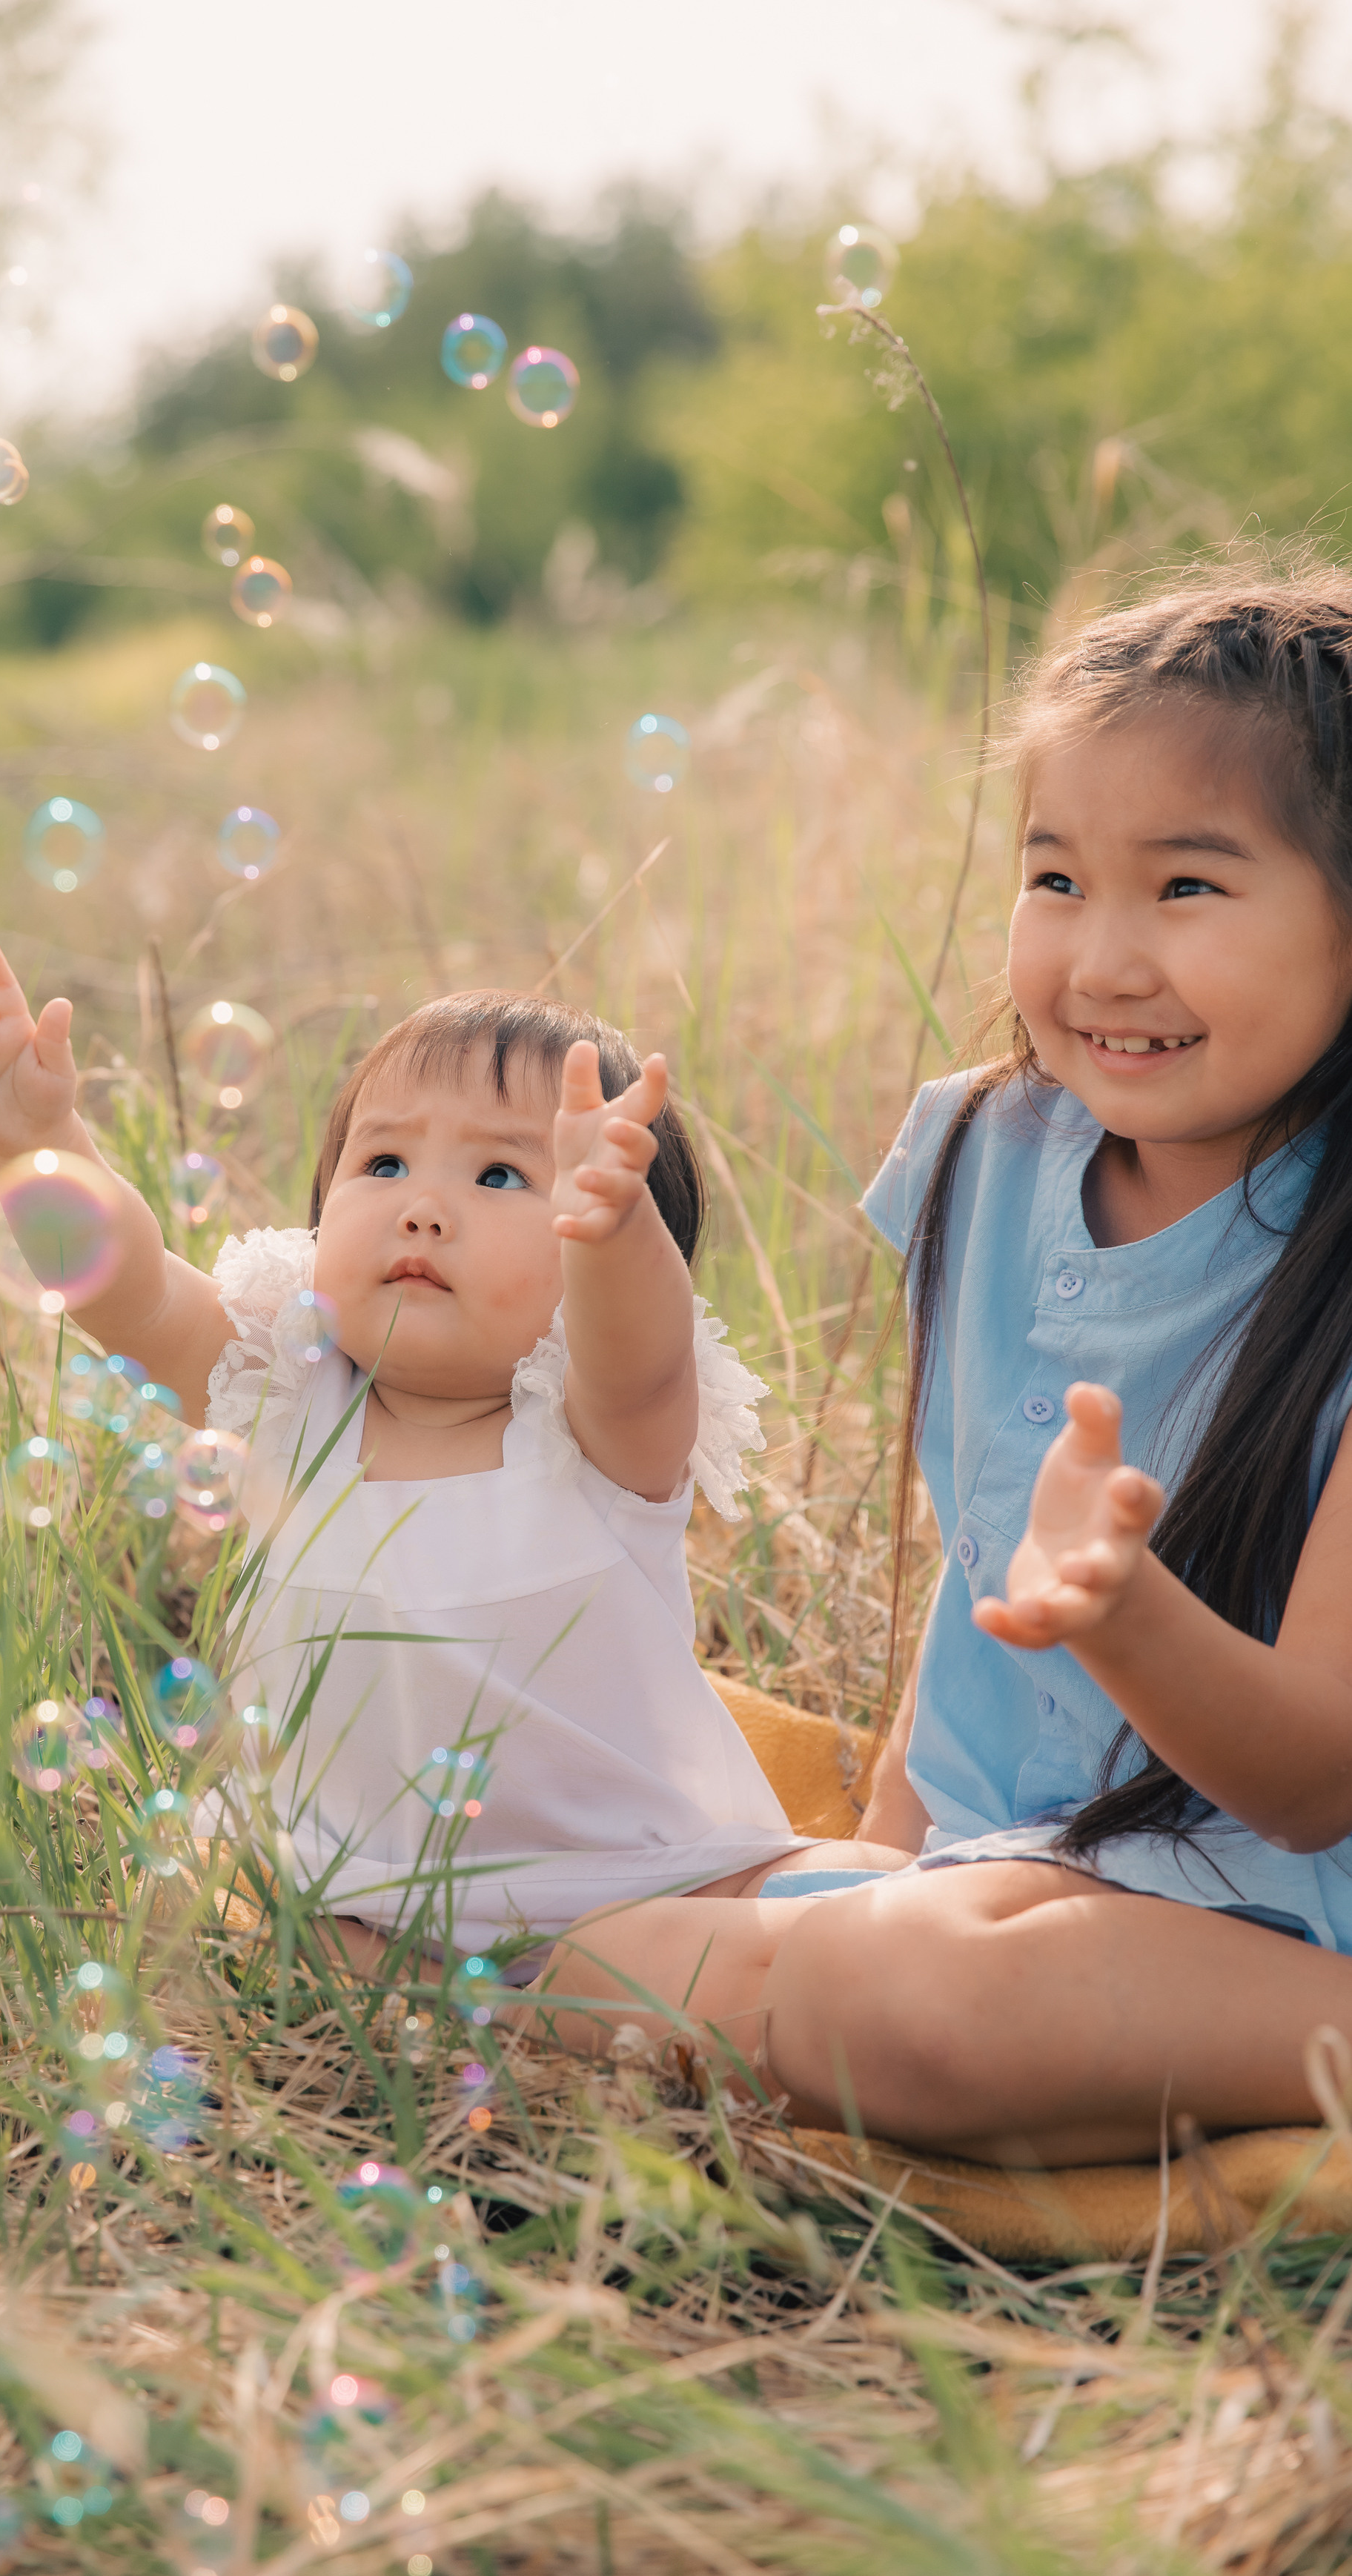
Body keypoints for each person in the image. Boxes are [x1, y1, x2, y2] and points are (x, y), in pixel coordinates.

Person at [543, 562, 1352, 2162]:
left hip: (1275, 1915)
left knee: (933, 2004)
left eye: (1187, 888)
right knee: (569, 1911)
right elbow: (975, 1554)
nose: (1103, 959)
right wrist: (889, 1852)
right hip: (1009, 1873)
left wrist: (1129, 1618)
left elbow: (1316, 1778)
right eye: (1056, 877)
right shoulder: (987, 1152)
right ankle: (905, 2007)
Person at [0, 949, 897, 1962]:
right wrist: (35, 1145)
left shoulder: (592, 1428)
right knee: (230, 1918)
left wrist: (614, 1230)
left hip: (622, 1883)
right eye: (382, 1165)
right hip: (345, 1882)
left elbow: (637, 1355)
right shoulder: (294, 1394)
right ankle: (482, 2009)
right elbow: (134, 1291)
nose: (422, 1206)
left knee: (839, 1915)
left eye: (501, 1174)